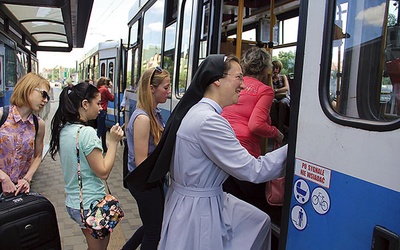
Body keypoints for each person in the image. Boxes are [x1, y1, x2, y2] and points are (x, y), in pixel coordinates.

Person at [125, 54, 287, 250]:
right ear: (217, 80)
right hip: (199, 211)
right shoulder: (210, 121)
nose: (243, 86)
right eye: (238, 78)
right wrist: (293, 150)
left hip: (192, 204)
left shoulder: (198, 112)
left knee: (258, 220)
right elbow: (254, 170)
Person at [49, 82, 123, 250]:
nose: (101, 108)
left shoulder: (64, 130)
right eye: (98, 103)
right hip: (91, 204)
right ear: (84, 104)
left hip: (75, 203)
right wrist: (114, 142)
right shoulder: (86, 133)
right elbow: (103, 172)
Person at [222, 47, 284, 212]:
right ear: (265, 68)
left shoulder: (235, 84)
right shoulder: (265, 91)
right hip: (245, 155)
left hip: (223, 151)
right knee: (256, 208)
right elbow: (256, 125)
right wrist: (275, 133)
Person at [122, 66, 171, 250]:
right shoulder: (143, 119)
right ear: (152, 88)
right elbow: (141, 162)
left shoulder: (152, 113)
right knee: (153, 232)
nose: (169, 91)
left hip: (150, 181)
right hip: (144, 182)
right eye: (165, 88)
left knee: (153, 224)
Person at [0, 72, 50, 195]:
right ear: (28, 88)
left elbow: (38, 156)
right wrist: (3, 178)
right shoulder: (2, 116)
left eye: (48, 97)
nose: (45, 100)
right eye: (43, 94)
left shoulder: (39, 125)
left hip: (18, 190)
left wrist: (27, 179)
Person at [271, 60, 290, 133]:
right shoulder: (270, 78)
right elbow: (271, 89)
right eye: (274, 68)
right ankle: (277, 124)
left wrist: (276, 91)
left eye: (277, 68)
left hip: (283, 97)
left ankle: (280, 126)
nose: (275, 70)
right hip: (275, 97)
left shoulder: (283, 77)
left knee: (283, 103)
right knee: (271, 102)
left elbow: (286, 88)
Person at [96, 77, 114, 152]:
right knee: (100, 130)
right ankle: (95, 146)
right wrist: (112, 88)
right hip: (103, 111)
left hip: (100, 111)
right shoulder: (104, 89)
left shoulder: (99, 88)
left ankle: (104, 147)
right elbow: (112, 98)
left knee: (103, 130)